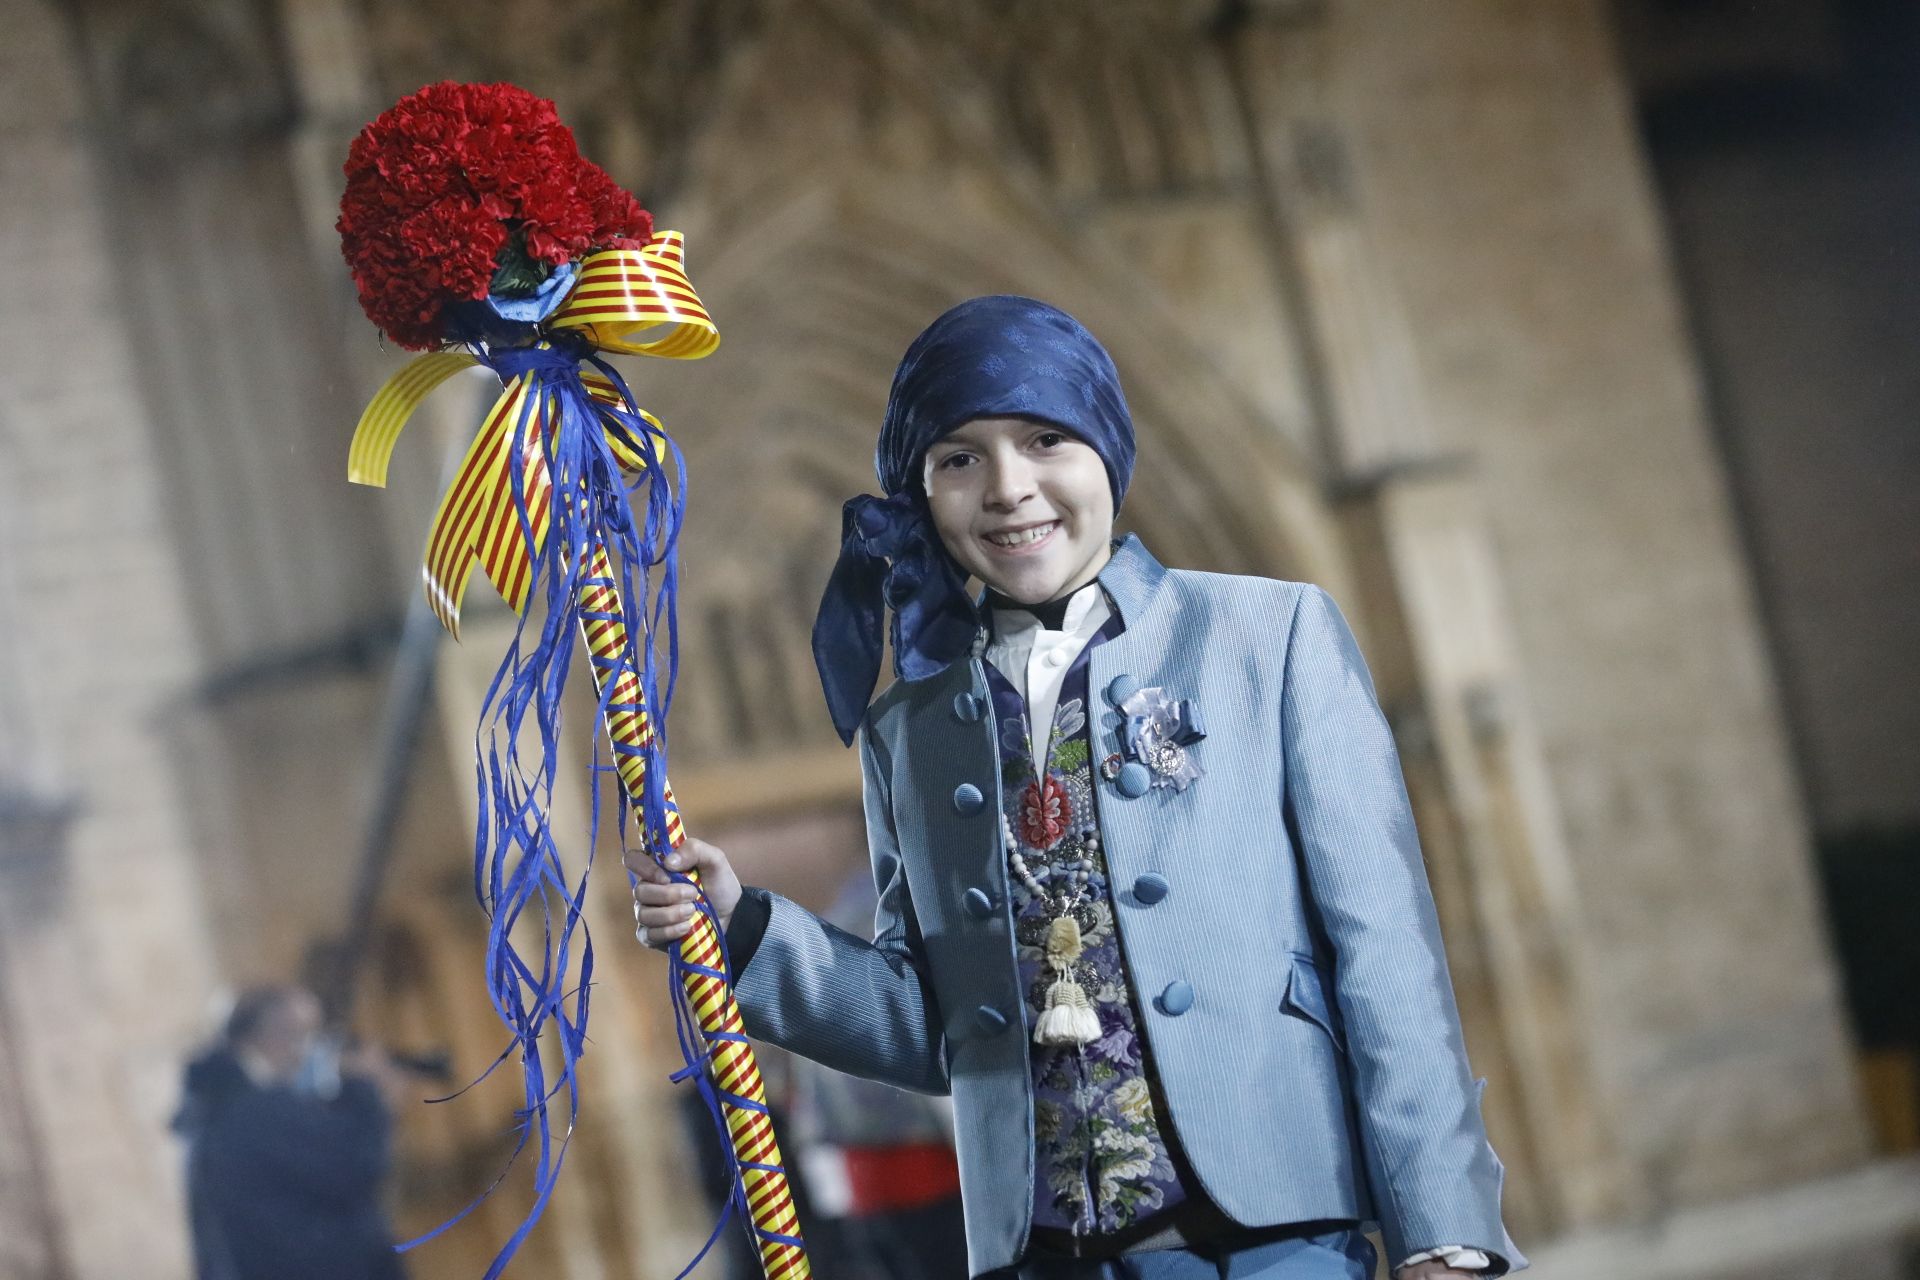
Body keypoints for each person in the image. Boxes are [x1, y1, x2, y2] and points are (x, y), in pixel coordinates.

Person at [631, 296, 1523, 1280]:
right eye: (958, 458)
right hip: (1044, 1257)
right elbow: (935, 1027)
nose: (1009, 487)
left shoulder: (1269, 637)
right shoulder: (904, 731)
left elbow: (1387, 959)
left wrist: (1444, 1226)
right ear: (921, 493)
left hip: (1280, 1242)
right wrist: (743, 926)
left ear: (1106, 445)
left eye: (1045, 438)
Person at [173, 985, 407, 1280]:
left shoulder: (221, 1106)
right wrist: (366, 1096)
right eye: (307, 1033)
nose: (313, 1049)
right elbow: (350, 1170)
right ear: (276, 1034)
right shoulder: (254, 1109)